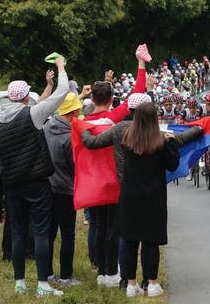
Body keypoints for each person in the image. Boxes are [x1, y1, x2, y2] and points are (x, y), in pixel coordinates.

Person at [82, 101, 201, 297]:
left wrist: (83, 129)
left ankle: (131, 284)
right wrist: (171, 143)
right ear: (155, 119)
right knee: (150, 241)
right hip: (153, 197)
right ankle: (152, 284)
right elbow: (172, 165)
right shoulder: (160, 142)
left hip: (129, 196)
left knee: (129, 240)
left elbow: (94, 142)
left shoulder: (126, 139)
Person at [0, 57, 68, 297]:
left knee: (17, 231)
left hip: (12, 183)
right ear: (27, 96)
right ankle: (42, 284)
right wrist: (60, 68)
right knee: (40, 231)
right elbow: (62, 92)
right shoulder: (33, 115)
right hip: (36, 182)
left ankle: (19, 283)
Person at [84, 47, 147, 288]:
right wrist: (140, 64)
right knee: (113, 228)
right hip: (113, 181)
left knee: (97, 226)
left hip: (92, 182)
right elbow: (137, 93)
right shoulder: (114, 119)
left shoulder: (83, 122)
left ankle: (100, 269)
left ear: (91, 100)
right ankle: (111, 270)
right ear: (112, 100)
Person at [44, 92, 84, 286]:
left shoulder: (45, 128)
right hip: (65, 190)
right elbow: (75, 167)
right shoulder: (69, 137)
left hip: (46, 187)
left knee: (48, 233)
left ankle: (48, 275)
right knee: (68, 234)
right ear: (73, 112)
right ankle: (66, 277)